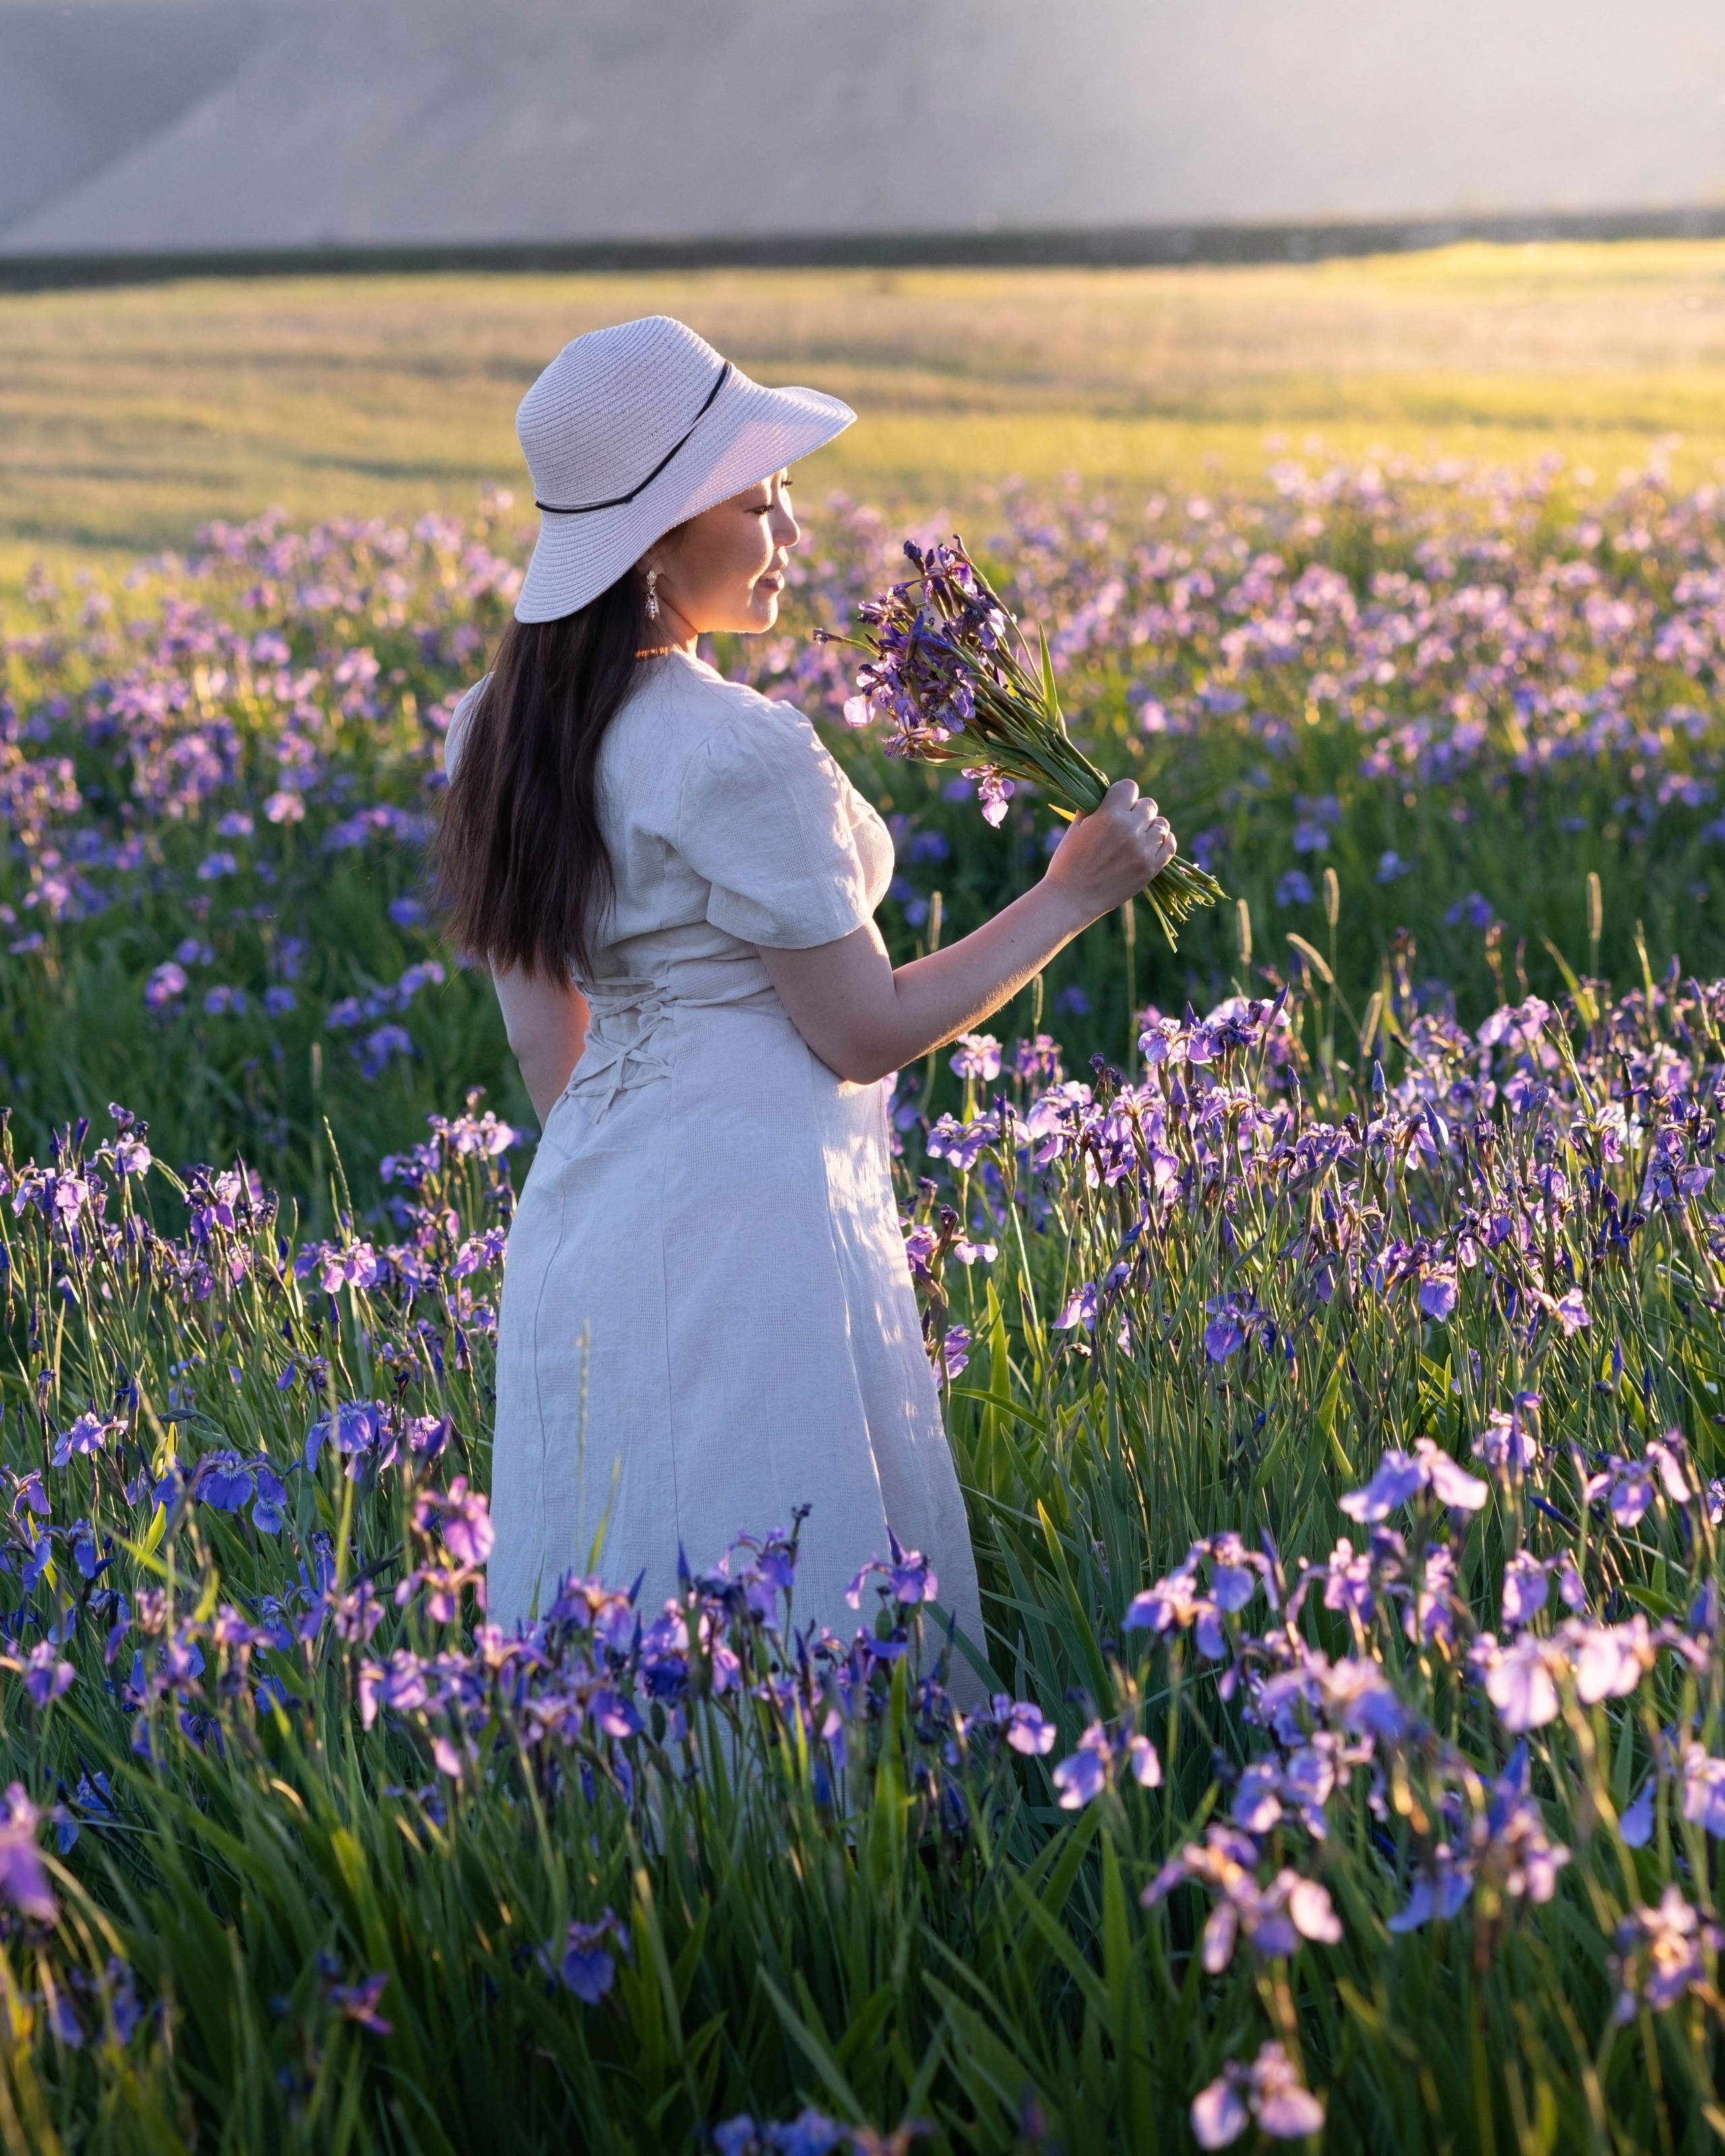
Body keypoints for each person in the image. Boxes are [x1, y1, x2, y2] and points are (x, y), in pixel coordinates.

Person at [436, 315, 1175, 1698]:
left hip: (583, 1220)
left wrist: (649, 1153)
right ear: (656, 539)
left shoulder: (495, 728)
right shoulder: (736, 749)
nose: (790, 527)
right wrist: (1073, 889)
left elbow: (551, 1054)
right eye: (755, 497)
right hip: (754, 1216)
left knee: (625, 1603)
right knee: (792, 1608)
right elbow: (860, 1031)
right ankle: (820, 1897)